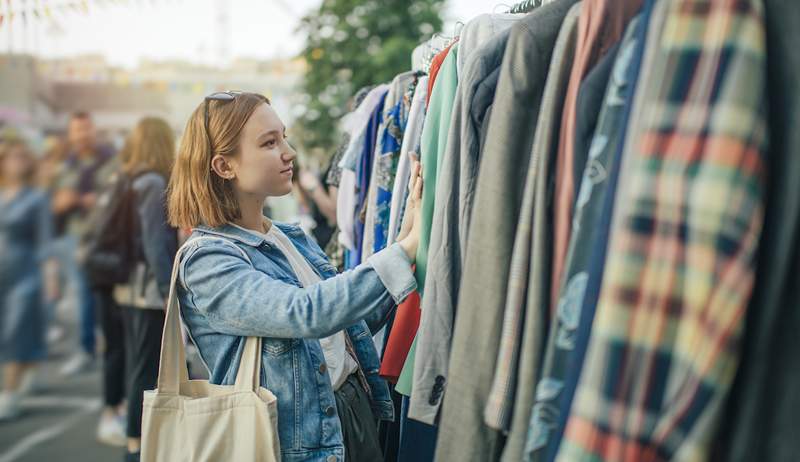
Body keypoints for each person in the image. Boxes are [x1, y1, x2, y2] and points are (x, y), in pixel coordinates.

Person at [167, 91, 422, 462]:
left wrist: (405, 239)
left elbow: (349, 323)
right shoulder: (207, 260)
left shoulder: (290, 237)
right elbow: (305, 313)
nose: (288, 152)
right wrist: (403, 251)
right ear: (224, 166)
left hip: (350, 416)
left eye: (283, 137)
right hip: (295, 445)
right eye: (269, 143)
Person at [51, 111, 126, 446]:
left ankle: (95, 347)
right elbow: (55, 201)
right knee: (84, 297)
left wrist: (82, 200)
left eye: (85, 129)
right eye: (76, 130)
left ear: (94, 129)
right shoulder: (67, 164)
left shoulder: (112, 161)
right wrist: (61, 203)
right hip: (74, 238)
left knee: (98, 301)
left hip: (103, 244)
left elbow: (114, 197)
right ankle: (87, 346)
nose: (81, 135)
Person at [111, 117, 178, 462]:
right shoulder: (152, 183)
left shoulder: (132, 178)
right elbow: (154, 241)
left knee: (139, 364)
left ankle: (135, 441)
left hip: (131, 285)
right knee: (146, 367)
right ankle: (137, 445)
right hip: (147, 288)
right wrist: (168, 289)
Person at [0, 139, 59, 420]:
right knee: (8, 331)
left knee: (16, 331)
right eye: (12, 158)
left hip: (25, 273)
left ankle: (9, 395)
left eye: (22, 158)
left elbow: (45, 242)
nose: (17, 163)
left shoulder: (36, 198)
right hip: (2, 275)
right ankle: (27, 370)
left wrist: (50, 279)